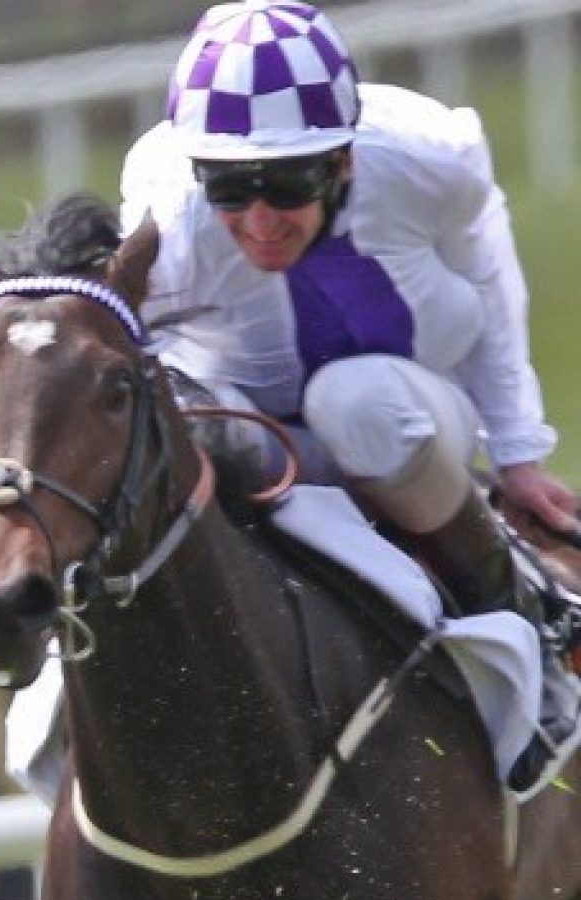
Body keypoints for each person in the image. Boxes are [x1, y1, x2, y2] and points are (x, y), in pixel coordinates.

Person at [121, 0, 579, 792]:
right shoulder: (168, 213)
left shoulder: (427, 158)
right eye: (229, 187)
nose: (259, 220)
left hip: (408, 417)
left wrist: (517, 452)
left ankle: (525, 618)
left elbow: (485, 265)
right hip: (255, 440)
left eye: (287, 182)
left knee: (353, 400)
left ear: (343, 163)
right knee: (191, 427)